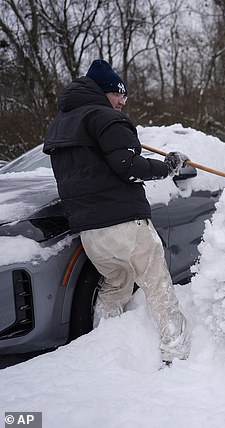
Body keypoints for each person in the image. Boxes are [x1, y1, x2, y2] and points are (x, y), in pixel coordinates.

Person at [43, 59, 190, 365]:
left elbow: (99, 165)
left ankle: (105, 348)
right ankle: (176, 354)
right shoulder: (105, 117)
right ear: (103, 92)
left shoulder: (61, 124)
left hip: (91, 232)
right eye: (118, 94)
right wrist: (168, 167)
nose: (123, 101)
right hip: (125, 223)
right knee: (156, 282)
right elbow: (128, 166)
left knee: (116, 284)